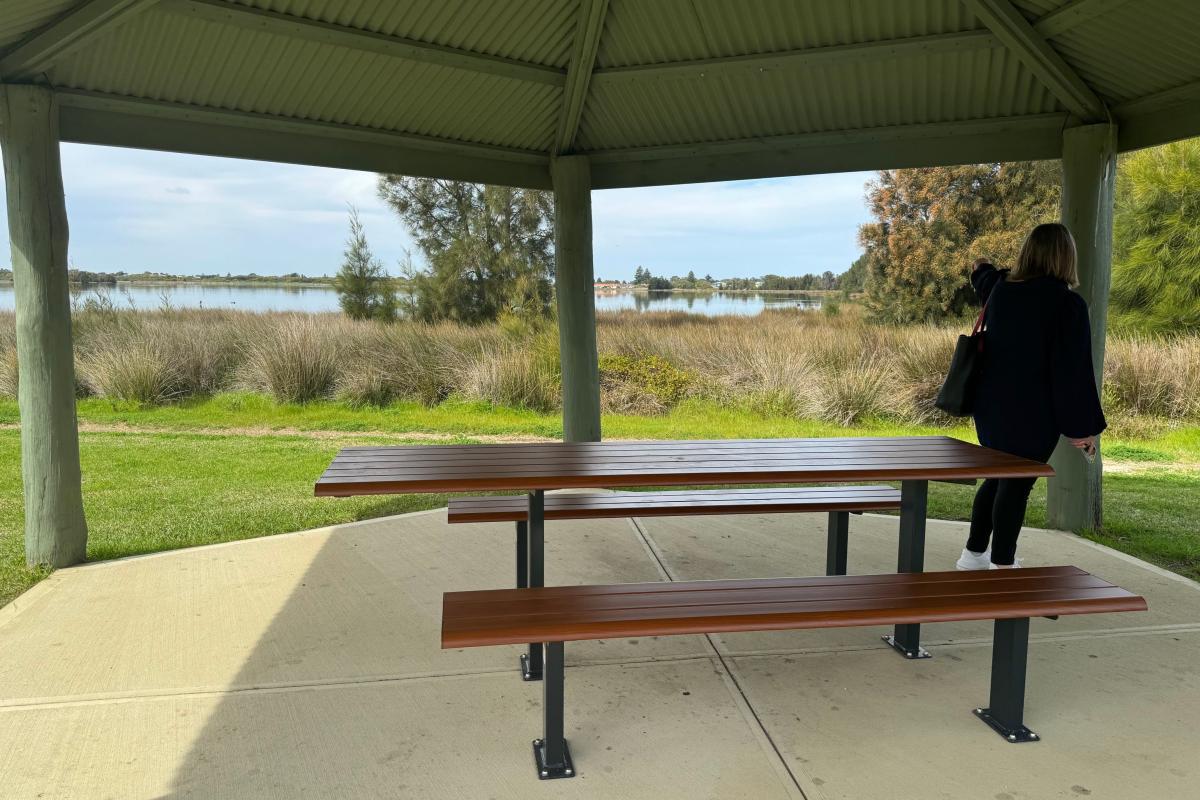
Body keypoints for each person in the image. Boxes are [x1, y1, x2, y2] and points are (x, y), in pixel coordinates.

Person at [956, 223, 1107, 570]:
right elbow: (1073, 371)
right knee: (1017, 484)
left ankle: (973, 555)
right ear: (1066, 257)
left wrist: (980, 264)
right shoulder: (1066, 305)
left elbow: (981, 271)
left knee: (997, 478)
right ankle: (1003, 565)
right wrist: (1081, 428)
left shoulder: (999, 289)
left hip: (991, 408)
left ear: (1028, 251)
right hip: (1033, 415)